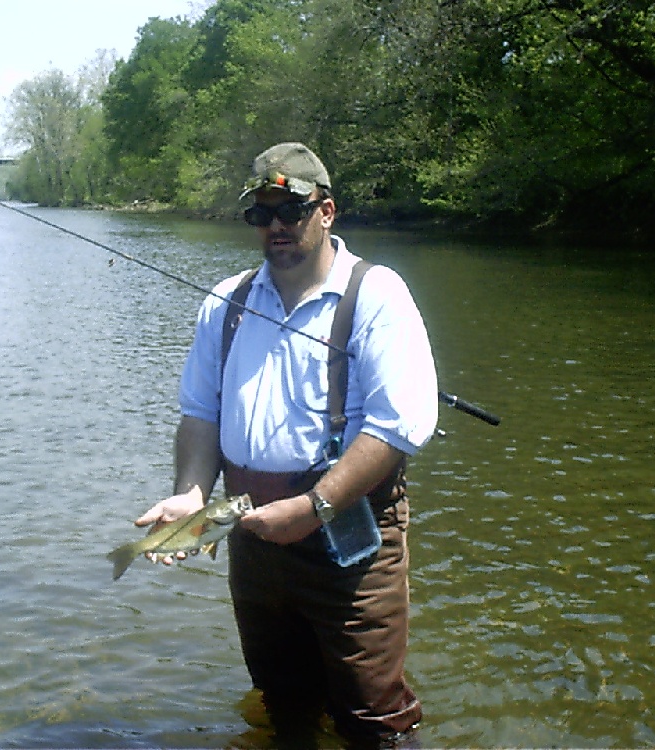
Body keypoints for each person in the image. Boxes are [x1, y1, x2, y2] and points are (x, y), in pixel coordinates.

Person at [135, 142, 438, 748]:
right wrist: (191, 494)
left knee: (373, 718)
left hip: (351, 535)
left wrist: (314, 507)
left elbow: (397, 426)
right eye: (261, 214)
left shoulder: (378, 295)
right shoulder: (226, 303)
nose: (275, 225)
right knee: (283, 703)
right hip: (252, 536)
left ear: (325, 212)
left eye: (290, 210)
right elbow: (200, 414)